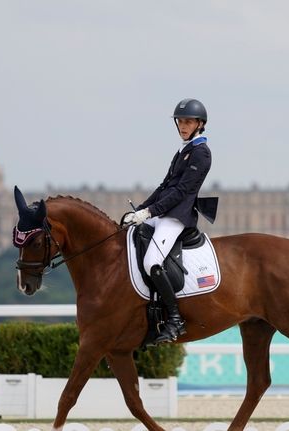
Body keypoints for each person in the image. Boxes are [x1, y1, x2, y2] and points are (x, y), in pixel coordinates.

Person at [123, 98, 212, 344]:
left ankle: (174, 318)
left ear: (199, 124)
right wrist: (139, 211)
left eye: (189, 122)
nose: (183, 126)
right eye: (181, 121)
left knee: (152, 261)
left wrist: (150, 212)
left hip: (177, 217)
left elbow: (181, 192)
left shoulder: (201, 153)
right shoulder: (182, 151)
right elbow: (164, 186)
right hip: (163, 213)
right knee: (129, 238)